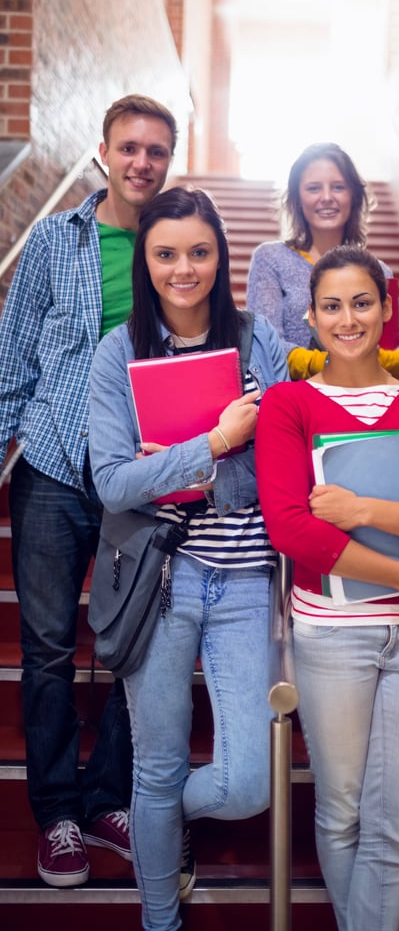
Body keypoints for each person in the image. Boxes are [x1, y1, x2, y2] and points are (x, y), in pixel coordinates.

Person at [255, 245, 399, 931]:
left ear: (387, 311)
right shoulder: (288, 404)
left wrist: (361, 510)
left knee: (395, 826)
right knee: (343, 809)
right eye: (331, 305)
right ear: (311, 316)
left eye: (362, 303)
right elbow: (292, 529)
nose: (347, 318)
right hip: (330, 634)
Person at [88, 186, 288, 931]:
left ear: (220, 256)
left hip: (243, 577)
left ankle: (156, 821)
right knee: (157, 761)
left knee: (245, 784)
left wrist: (174, 463)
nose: (184, 269)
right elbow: (112, 482)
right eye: (166, 253)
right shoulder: (120, 352)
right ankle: (159, 919)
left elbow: (287, 453)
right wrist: (207, 445)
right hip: (160, 580)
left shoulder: (255, 337)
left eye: (199, 252)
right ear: (146, 259)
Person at [0, 93, 178, 887]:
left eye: (157, 151)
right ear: (103, 152)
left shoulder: (178, 246)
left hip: (137, 475)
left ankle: (108, 798)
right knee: (46, 652)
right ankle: (59, 815)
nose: (143, 162)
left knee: (134, 647)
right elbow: (12, 359)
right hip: (50, 470)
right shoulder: (52, 242)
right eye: (130, 147)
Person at [247, 141, 399, 380]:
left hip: (366, 405)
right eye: (313, 188)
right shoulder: (271, 259)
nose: (326, 197)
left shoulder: (378, 270)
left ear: (353, 196)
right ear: (297, 198)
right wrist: (339, 362)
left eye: (338, 187)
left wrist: (369, 363)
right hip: (299, 404)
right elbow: (265, 345)